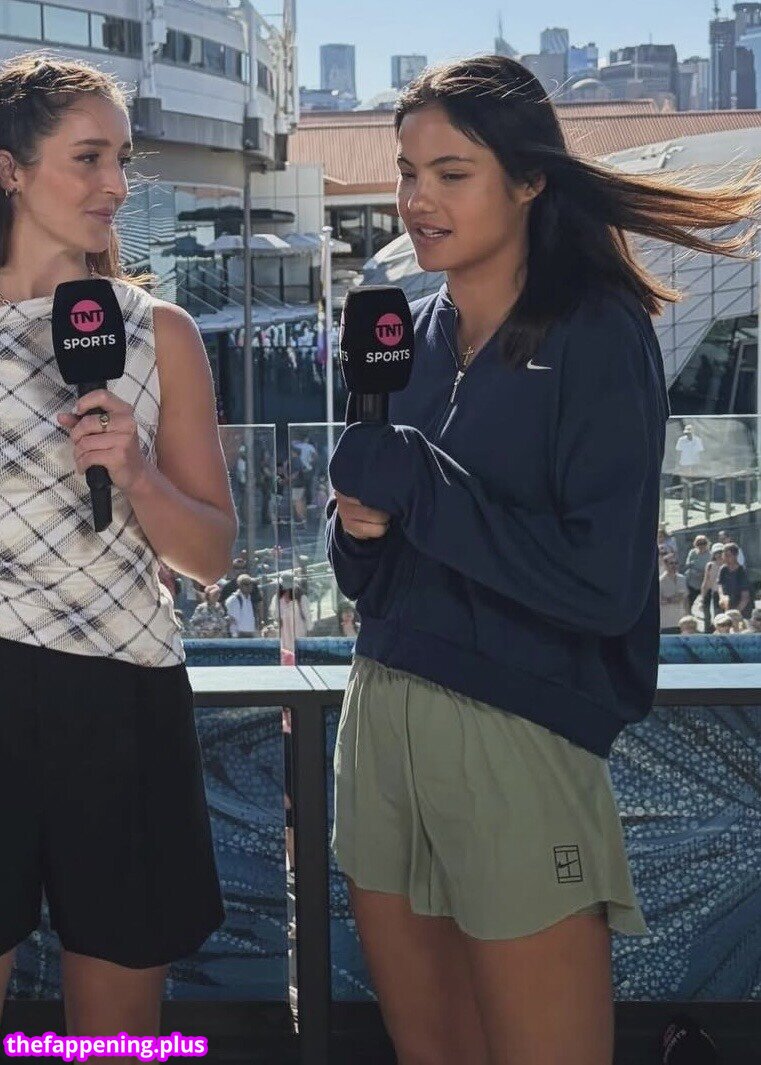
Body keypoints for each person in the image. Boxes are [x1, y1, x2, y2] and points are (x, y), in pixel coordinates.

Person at [324, 54, 760, 1064]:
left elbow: (601, 588)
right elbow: (362, 575)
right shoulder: (400, 335)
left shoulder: (599, 335)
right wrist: (355, 527)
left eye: (450, 173)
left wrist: (417, 481)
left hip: (517, 735)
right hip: (377, 716)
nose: (416, 198)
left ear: (527, 180)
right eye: (406, 172)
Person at [0, 54, 237, 1031]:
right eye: (89, 157)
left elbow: (212, 555)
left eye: (123, 159)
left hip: (125, 692)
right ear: (10, 169)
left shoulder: (161, 333)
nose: (117, 185)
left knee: (118, 1039)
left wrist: (137, 473)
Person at [717, 542, 753, 621]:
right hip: (727, 607)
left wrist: (735, 613)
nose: (725, 558)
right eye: (724, 555)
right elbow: (720, 585)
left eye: (728, 555)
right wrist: (722, 597)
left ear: (735, 555)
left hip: (742, 609)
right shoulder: (723, 569)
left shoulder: (742, 572)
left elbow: (745, 597)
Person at [683, 535, 711, 624]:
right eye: (699, 543)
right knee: (688, 605)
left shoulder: (710, 555)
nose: (701, 545)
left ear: (707, 544)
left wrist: (703, 573)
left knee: (706, 607)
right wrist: (696, 572)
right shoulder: (692, 553)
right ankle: (688, 624)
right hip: (692, 583)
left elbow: (711, 569)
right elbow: (688, 565)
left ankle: (708, 627)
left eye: (703, 543)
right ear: (695, 544)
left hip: (705, 584)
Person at [660, 556, 690, 634]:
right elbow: (660, 600)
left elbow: (685, 598)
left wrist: (688, 615)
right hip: (666, 623)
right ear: (665, 565)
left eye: (676, 563)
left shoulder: (682, 578)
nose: (674, 565)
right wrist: (674, 599)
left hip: (682, 622)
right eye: (671, 563)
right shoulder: (660, 581)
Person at [700, 543, 726, 633]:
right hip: (714, 594)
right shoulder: (710, 565)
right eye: (716, 552)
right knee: (713, 617)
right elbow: (706, 582)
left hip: (725, 594)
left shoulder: (727, 564)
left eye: (720, 552)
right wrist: (702, 597)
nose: (718, 555)